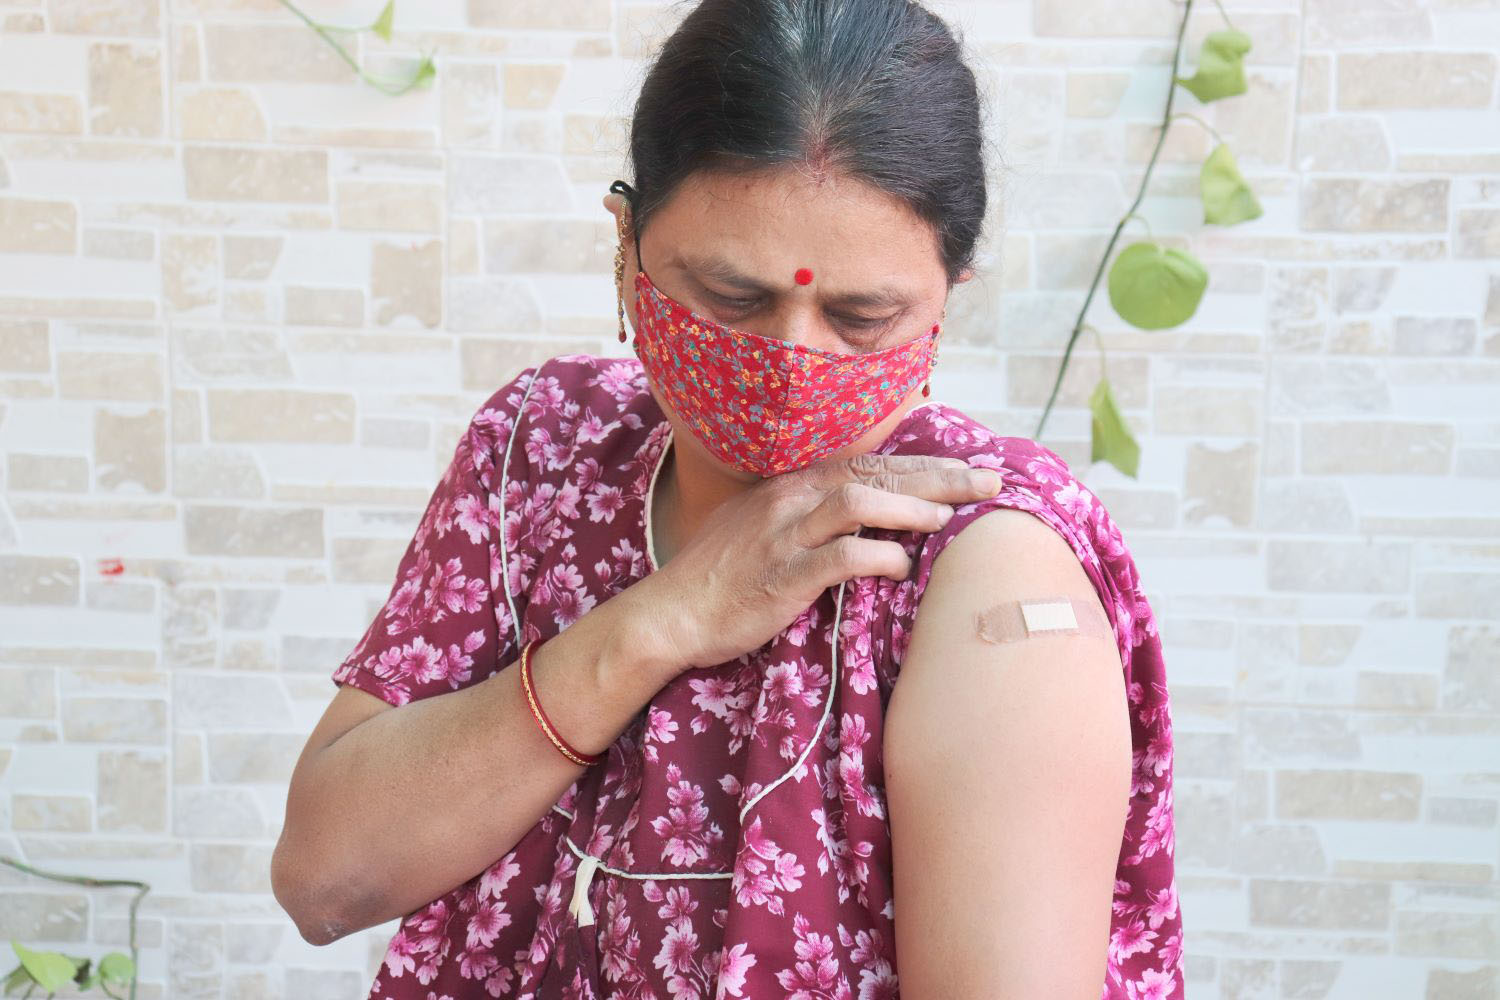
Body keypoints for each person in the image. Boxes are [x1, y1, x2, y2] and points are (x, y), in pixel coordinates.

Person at [271, 0, 1184, 996]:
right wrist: (663, 618)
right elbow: (328, 878)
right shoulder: (546, 451)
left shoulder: (985, 570)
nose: (792, 361)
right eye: (732, 298)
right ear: (627, 245)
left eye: (862, 313)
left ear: (946, 293)